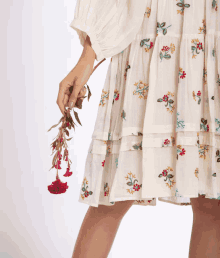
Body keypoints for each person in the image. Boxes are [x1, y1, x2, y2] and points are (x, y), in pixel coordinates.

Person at [57, 0, 220, 257]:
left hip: (212, 39)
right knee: (112, 196)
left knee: (213, 202)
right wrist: (88, 57)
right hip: (150, 37)